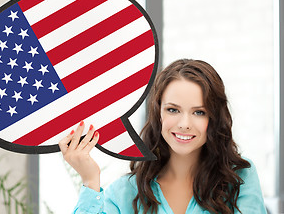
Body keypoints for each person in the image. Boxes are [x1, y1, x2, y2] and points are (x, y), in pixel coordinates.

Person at [59, 59, 267, 214]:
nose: (184, 124)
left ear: (214, 117)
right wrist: (89, 180)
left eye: (199, 112)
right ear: (158, 113)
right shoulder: (125, 192)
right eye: (173, 110)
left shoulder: (240, 177)